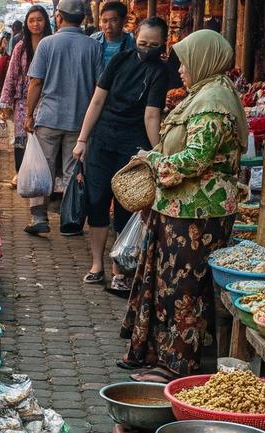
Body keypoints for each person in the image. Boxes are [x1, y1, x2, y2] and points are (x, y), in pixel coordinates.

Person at [119, 29, 246, 383]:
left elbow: (194, 159)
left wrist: (152, 162)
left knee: (184, 290)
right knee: (170, 285)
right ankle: (160, 355)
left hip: (198, 213)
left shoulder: (214, 102)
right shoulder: (205, 94)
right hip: (181, 209)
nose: (182, 71)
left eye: (187, 63)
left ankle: (177, 365)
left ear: (205, 60)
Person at [72, 17, 170, 291]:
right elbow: (97, 100)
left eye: (153, 45)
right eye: (142, 43)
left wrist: (155, 152)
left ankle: (118, 267)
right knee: (97, 203)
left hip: (133, 146)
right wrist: (82, 139)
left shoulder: (161, 72)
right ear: (134, 38)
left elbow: (152, 116)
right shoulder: (118, 61)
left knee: (127, 207)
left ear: (163, 44)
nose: (147, 48)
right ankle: (98, 265)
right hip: (102, 140)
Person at [23, 0, 103, 236]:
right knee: (72, 172)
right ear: (83, 19)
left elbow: (36, 82)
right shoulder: (93, 47)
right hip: (80, 120)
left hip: (49, 117)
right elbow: (100, 85)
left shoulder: (47, 44)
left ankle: (39, 218)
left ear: (59, 17)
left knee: (42, 169)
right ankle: (70, 221)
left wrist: (29, 114)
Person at [1, 6, 53, 172]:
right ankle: (21, 175)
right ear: (26, 23)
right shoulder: (21, 47)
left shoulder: (53, 45)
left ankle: (40, 175)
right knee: (21, 137)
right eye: (31, 20)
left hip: (47, 99)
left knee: (43, 139)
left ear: (46, 22)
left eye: (39, 20)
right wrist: (5, 103)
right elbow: (12, 75)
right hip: (23, 100)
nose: (35, 24)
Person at [91, 1, 136, 68]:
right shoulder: (93, 40)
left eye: (114, 20)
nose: (108, 26)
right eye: (104, 21)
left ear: (124, 21)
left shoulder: (132, 42)